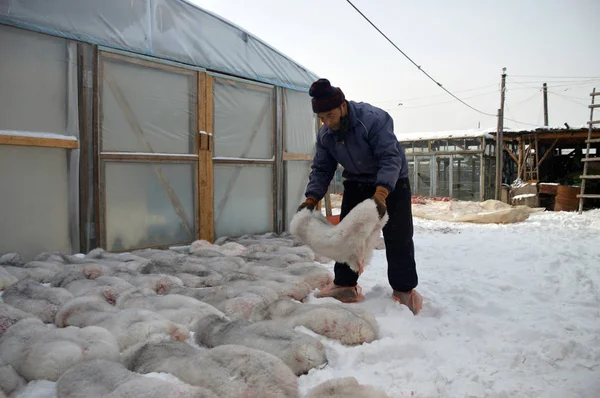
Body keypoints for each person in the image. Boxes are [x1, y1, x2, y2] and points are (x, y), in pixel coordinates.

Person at [297, 78, 423, 315]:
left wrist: (382, 192)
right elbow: (322, 168)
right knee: (348, 234)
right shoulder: (326, 135)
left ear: (342, 106)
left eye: (330, 115)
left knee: (398, 236)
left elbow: (390, 158)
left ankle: (404, 290)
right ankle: (345, 285)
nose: (326, 122)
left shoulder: (373, 120)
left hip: (392, 181)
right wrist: (311, 198)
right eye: (321, 117)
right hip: (357, 181)